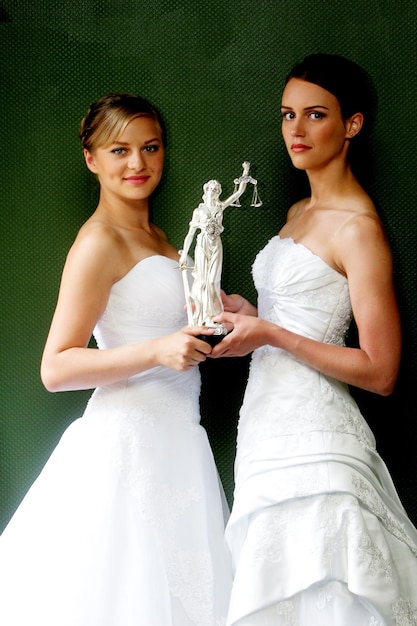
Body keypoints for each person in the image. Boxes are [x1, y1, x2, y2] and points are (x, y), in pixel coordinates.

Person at [0, 93, 232, 626]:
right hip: (127, 447)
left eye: (150, 148)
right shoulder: (98, 242)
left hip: (179, 444)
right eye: (119, 150)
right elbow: (55, 367)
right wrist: (157, 350)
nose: (138, 164)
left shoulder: (163, 240)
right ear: (91, 159)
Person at [210, 54, 417, 625]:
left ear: (352, 124)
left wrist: (270, 332)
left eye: (315, 115)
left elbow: (382, 370)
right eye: (287, 115)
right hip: (263, 429)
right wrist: (251, 313)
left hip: (315, 436)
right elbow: (297, 314)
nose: (295, 131)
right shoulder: (299, 211)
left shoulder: (359, 228)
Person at [178, 162, 251, 332]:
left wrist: (245, 173)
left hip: (216, 244)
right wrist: (183, 254)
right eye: (209, 189)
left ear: (218, 192)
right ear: (205, 191)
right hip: (202, 244)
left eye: (215, 189)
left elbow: (238, 193)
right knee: (202, 282)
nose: (212, 191)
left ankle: (215, 316)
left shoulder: (220, 207)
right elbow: (190, 233)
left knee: (212, 282)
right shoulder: (199, 210)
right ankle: (203, 318)